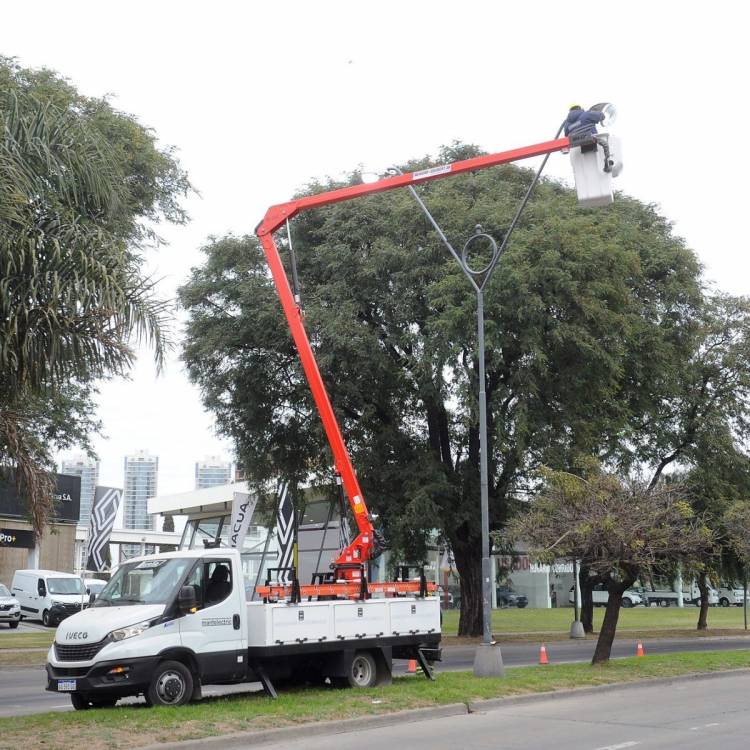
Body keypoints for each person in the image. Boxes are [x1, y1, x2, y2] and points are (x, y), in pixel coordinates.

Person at [564, 105, 613, 172]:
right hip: (589, 137)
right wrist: (595, 112)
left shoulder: (567, 123)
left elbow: (566, 134)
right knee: (605, 144)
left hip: (574, 142)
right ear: (579, 108)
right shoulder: (586, 114)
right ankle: (607, 166)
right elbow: (602, 116)